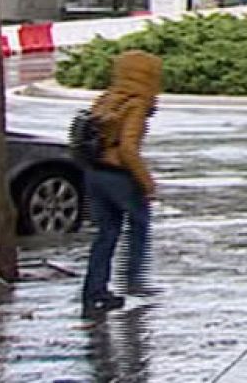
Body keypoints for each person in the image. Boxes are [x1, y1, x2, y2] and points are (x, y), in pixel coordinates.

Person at [81, 49, 162, 315]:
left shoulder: (106, 100)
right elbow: (128, 148)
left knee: (106, 234)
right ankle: (134, 278)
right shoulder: (135, 104)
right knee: (140, 223)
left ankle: (95, 291)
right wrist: (147, 183)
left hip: (94, 172)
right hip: (119, 175)